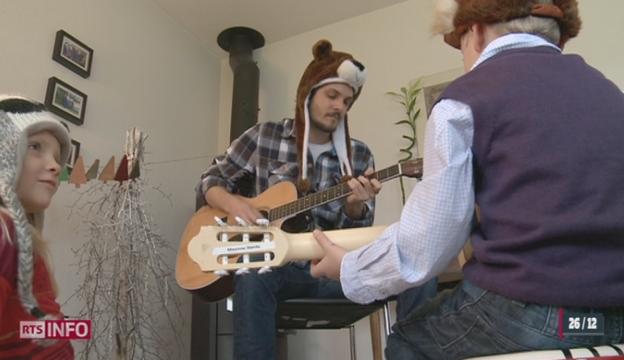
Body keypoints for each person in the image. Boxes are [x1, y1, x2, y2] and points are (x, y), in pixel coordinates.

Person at [310, 0, 624, 359]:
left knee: (409, 338)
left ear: (475, 31)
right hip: (617, 312)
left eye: (459, 46)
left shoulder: (466, 97)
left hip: (535, 312)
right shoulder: (610, 92)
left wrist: (350, 269)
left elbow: (429, 244)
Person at [196, 39, 381, 359]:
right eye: (332, 95)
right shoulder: (264, 136)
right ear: (308, 93)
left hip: (331, 271)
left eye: (347, 101)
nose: (339, 106)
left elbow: (357, 234)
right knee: (253, 271)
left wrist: (354, 206)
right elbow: (210, 181)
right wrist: (235, 204)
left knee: (412, 272)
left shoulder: (359, 156)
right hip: (274, 270)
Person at [0, 95, 75, 358]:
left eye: (59, 157)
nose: (56, 166)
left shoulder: (16, 239)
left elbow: (21, 327)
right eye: (35, 146)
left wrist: (74, 328)